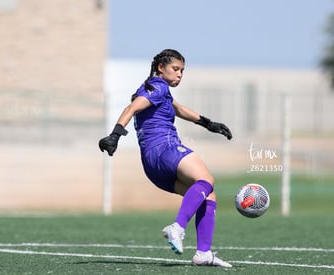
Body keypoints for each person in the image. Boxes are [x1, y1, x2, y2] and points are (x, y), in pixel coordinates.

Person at [99, 49, 233, 268]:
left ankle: (204, 254)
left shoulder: (158, 90)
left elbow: (177, 109)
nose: (180, 74)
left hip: (152, 166)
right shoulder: (157, 88)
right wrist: (115, 135)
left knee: (207, 196)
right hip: (166, 149)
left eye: (182, 71)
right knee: (206, 180)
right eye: (175, 69)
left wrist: (209, 124)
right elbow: (132, 107)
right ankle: (177, 228)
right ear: (161, 68)